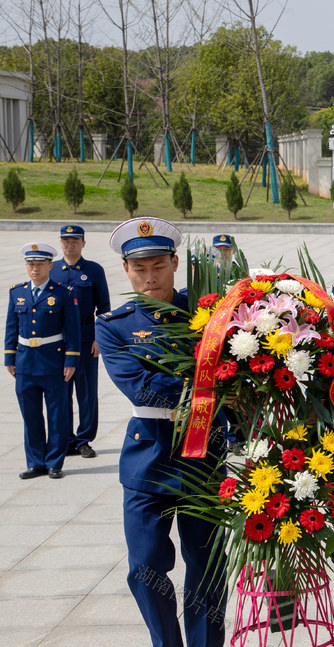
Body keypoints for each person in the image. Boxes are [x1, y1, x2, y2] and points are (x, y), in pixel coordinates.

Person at [96, 217, 227, 647]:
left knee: (206, 565)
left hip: (204, 457)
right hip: (148, 458)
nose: (149, 278)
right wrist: (211, 385)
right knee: (144, 566)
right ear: (126, 269)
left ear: (175, 262)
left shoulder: (212, 312)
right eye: (139, 269)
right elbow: (142, 387)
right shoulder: (114, 325)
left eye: (158, 266)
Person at [5, 242, 81, 480]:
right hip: (25, 361)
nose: (34, 269)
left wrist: (71, 360)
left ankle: (54, 462)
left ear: (50, 265)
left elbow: (73, 330)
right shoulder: (16, 292)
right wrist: (9, 356)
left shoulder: (63, 294)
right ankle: (36, 462)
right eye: (30, 264)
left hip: (53, 361)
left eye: (39, 264)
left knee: (57, 414)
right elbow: (11, 327)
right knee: (30, 414)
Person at [49, 225, 110, 459]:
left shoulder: (94, 270)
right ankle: (66, 439)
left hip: (85, 336)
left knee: (86, 391)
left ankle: (84, 438)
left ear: (83, 243)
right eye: (65, 240)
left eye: (75, 240)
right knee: (61, 391)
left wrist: (98, 338)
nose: (69, 244)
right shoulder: (51, 269)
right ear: (60, 243)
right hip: (58, 338)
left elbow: (104, 308)